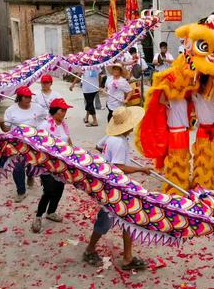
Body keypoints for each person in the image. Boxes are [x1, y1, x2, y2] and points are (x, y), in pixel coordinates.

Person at [83, 106, 152, 270]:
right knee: (105, 221)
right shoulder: (119, 141)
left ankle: (128, 258)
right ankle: (89, 249)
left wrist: (107, 155)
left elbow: (99, 146)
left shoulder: (110, 136)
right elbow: (119, 166)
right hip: (113, 187)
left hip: (116, 185)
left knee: (128, 220)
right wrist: (141, 169)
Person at [0, 86, 46, 202]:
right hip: (18, 143)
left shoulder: (37, 108)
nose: (29, 99)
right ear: (19, 98)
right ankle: (21, 191)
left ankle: (30, 175)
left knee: (32, 163)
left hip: (34, 142)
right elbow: (5, 129)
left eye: (30, 96)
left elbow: (47, 119)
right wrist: (2, 123)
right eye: (26, 97)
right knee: (18, 167)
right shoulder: (11, 110)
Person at [32, 98, 73, 233]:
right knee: (49, 191)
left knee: (59, 189)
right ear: (55, 111)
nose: (65, 112)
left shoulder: (63, 124)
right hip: (47, 166)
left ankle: (51, 212)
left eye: (66, 110)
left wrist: (72, 154)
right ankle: (38, 216)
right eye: (62, 110)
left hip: (62, 165)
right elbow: (38, 147)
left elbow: (68, 139)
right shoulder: (44, 126)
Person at [69, 51, 100, 127]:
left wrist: (72, 84)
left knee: (89, 104)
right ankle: (86, 118)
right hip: (90, 88)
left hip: (90, 89)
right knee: (89, 103)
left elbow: (99, 76)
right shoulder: (91, 65)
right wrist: (73, 84)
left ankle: (95, 121)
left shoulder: (94, 65)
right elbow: (79, 76)